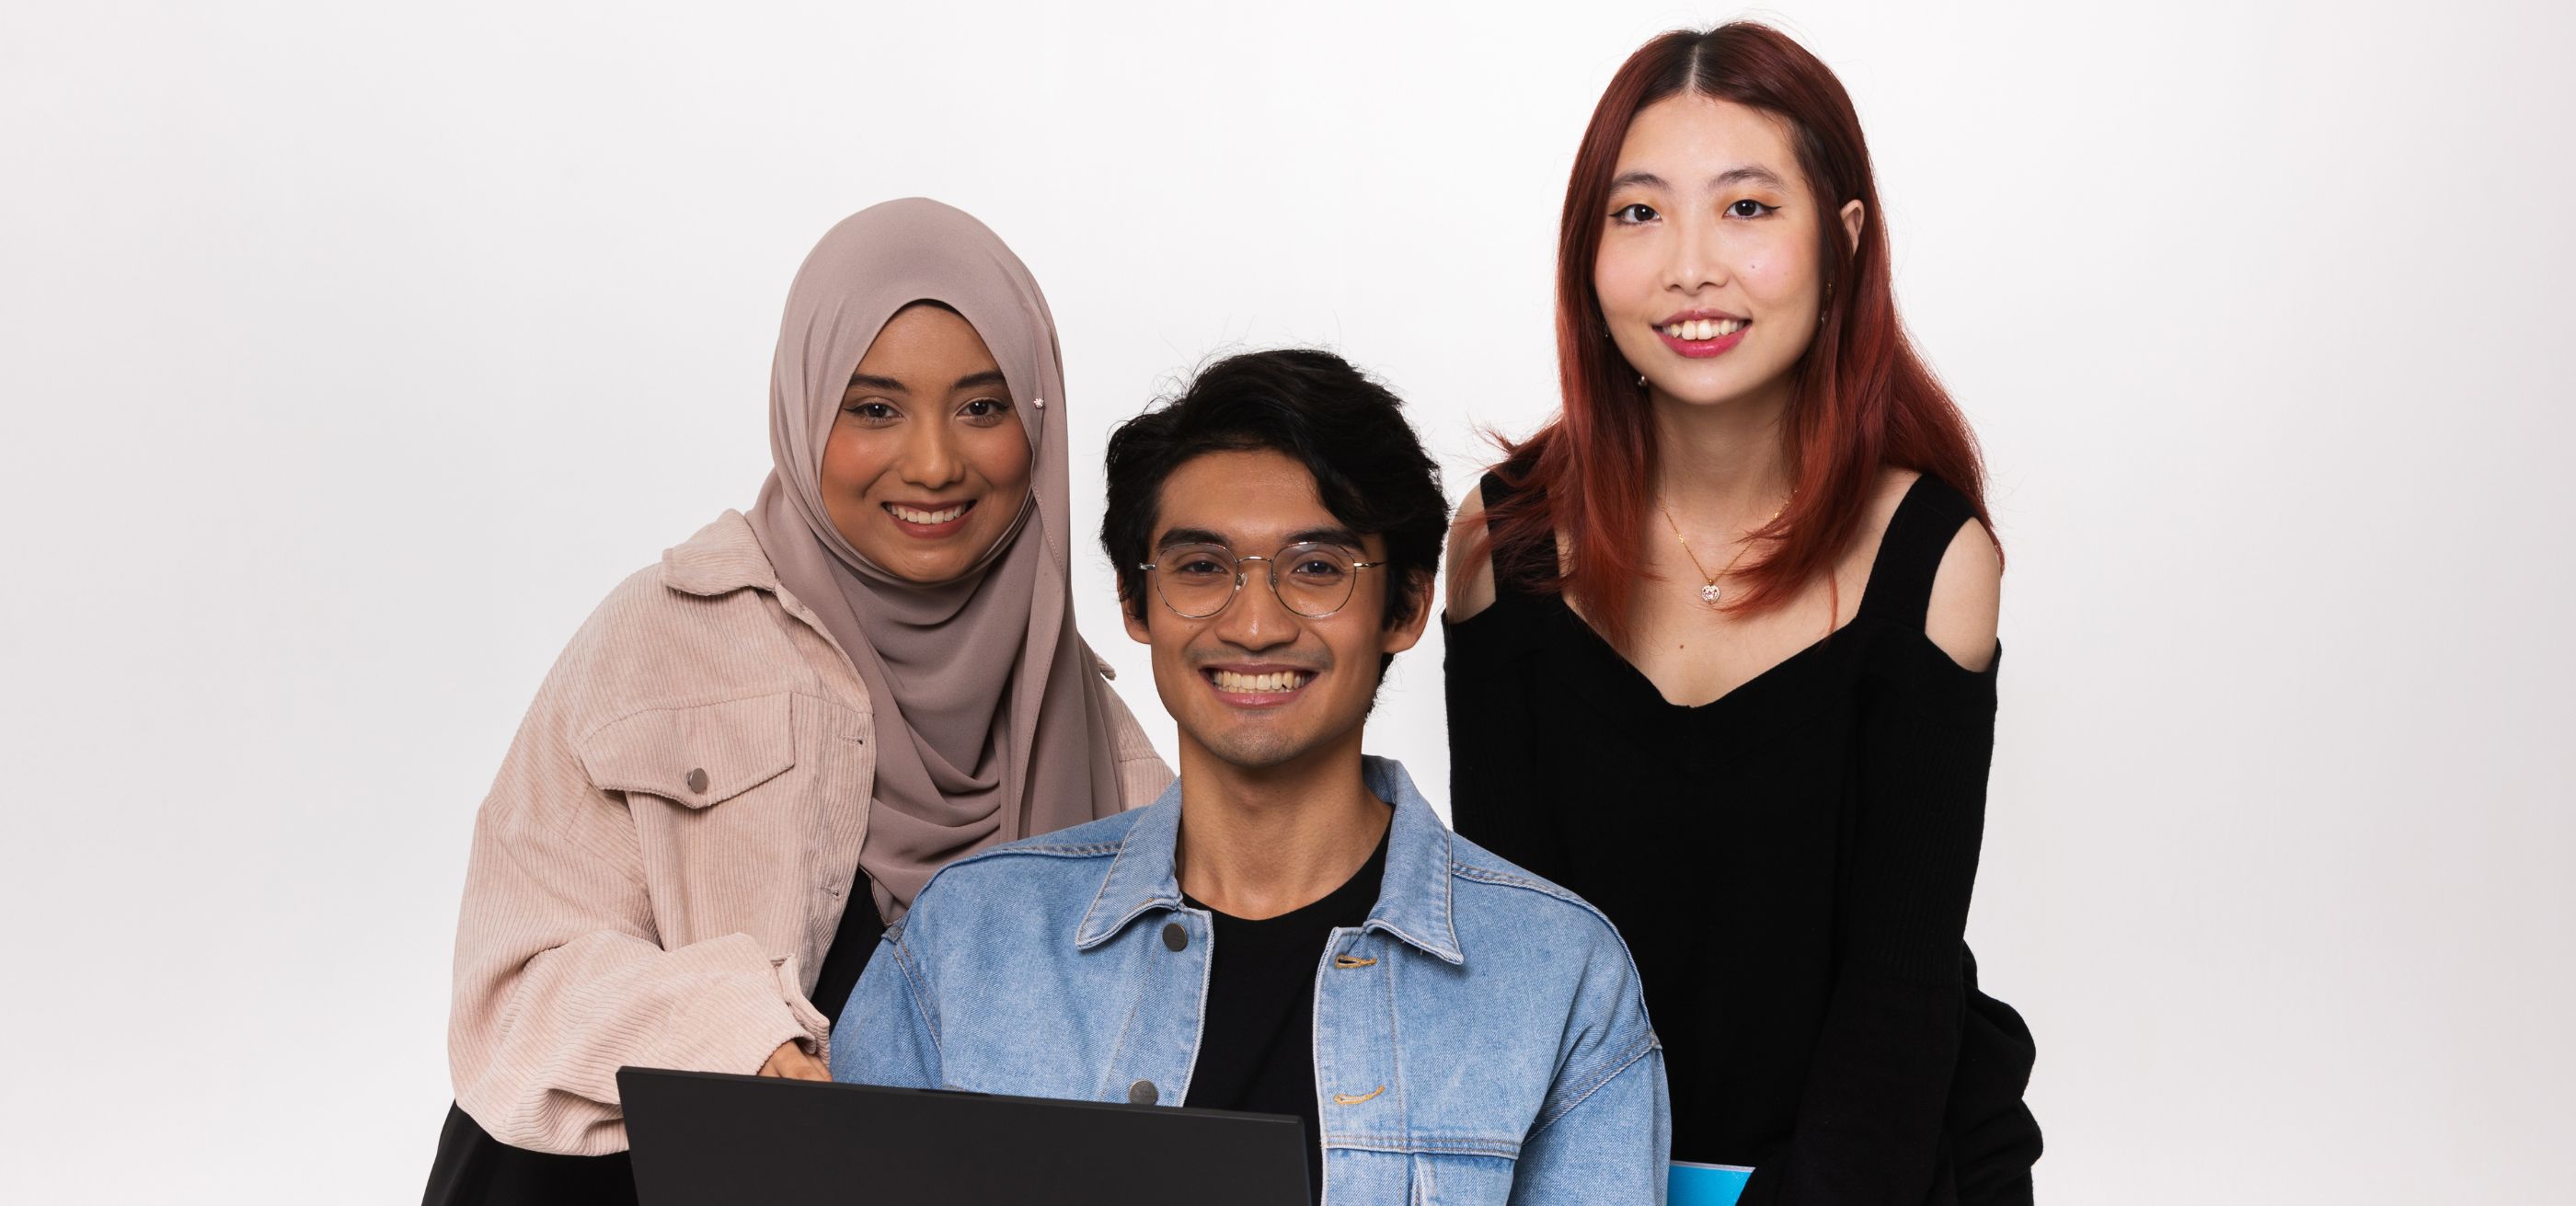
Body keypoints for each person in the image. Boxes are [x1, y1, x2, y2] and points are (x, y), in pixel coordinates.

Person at [423, 199, 1174, 1204]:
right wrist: (740, 1042)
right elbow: (512, 991)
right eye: (873, 409)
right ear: (804, 405)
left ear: (1038, 417)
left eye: (982, 407)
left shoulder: (1084, 722)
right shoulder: (663, 638)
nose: (935, 462)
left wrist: (1466, 654)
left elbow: (1255, 951)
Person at [833, 350, 1669, 1204]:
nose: (1256, 623)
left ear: (1409, 606)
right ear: (1134, 602)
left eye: (1316, 568)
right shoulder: (968, 944)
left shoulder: (1558, 975)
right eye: (1202, 568)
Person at [1443, 23, 2043, 1206]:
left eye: (1749, 209)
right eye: (1638, 213)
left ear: (1844, 242)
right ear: (1586, 254)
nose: (1690, 267)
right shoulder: (1500, 545)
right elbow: (1514, 963)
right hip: (1578, 1173)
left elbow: (1899, 990)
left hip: (1870, 1170)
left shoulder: (1932, 563)